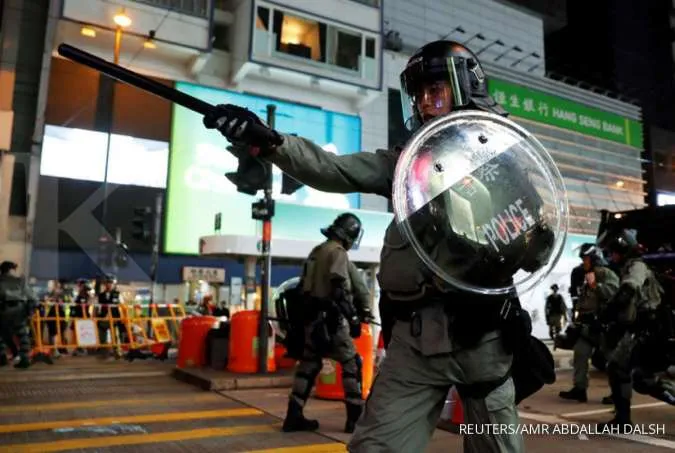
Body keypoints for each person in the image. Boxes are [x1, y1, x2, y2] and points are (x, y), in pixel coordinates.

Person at [203, 40, 545, 453]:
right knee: (374, 448)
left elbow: (536, 247)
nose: (424, 103)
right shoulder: (406, 164)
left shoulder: (502, 161)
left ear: (465, 88)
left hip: (483, 336)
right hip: (415, 342)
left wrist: (520, 233)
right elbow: (333, 169)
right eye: (418, 94)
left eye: (435, 90)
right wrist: (271, 141)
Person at [281, 213, 374, 434]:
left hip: (311, 320)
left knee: (308, 366)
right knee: (352, 363)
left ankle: (293, 415)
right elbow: (339, 287)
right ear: (350, 234)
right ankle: (354, 418)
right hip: (331, 320)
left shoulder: (318, 251)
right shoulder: (338, 252)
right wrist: (352, 317)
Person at [596, 228, 664, 430]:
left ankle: (623, 420)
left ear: (622, 249)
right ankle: (623, 420)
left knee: (644, 380)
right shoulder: (629, 266)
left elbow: (629, 290)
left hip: (648, 328)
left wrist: (609, 311)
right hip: (641, 327)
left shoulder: (637, 266)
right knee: (622, 371)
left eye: (613, 251)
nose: (611, 256)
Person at [559, 245, 619, 402]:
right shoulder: (587, 275)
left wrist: (595, 285)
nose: (583, 262)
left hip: (603, 326)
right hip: (587, 326)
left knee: (613, 361)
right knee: (580, 354)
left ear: (594, 259)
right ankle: (579, 389)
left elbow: (615, 293)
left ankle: (618, 394)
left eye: (585, 259)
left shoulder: (606, 274)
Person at [0, 261, 38, 369]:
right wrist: (30, 310)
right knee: (22, 335)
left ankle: (2, 357)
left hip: (3, 310)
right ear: (11, 269)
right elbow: (32, 297)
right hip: (19, 310)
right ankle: (24, 359)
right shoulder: (20, 281)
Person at [97, 275, 125, 358]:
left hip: (115, 318)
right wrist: (95, 317)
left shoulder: (118, 294)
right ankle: (104, 352)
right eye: (106, 283)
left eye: (110, 282)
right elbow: (97, 307)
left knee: (115, 336)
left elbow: (123, 307)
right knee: (102, 336)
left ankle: (117, 351)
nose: (108, 284)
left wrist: (122, 318)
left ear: (114, 284)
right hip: (103, 318)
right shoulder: (100, 295)